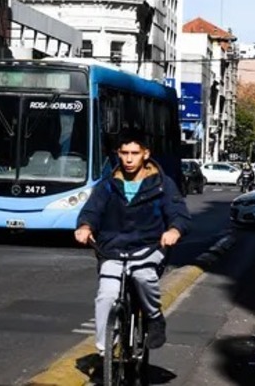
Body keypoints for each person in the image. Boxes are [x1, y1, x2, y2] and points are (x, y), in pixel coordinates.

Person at [74, 129, 192, 354]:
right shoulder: (107, 184)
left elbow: (179, 213)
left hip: (149, 248)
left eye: (134, 153)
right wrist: (85, 227)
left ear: (145, 154)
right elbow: (92, 210)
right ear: (118, 154)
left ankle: (154, 316)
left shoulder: (162, 184)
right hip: (113, 249)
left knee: (143, 276)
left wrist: (174, 230)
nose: (128, 159)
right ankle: (105, 350)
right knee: (106, 296)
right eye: (124, 153)